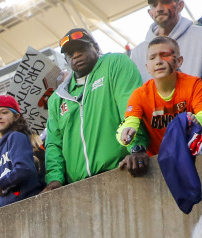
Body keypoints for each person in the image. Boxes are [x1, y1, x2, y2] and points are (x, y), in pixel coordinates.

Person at [44, 29, 149, 191]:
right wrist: (54, 179)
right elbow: (54, 144)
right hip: (79, 187)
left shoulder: (115, 64)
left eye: (81, 48)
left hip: (121, 171)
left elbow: (130, 107)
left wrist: (137, 148)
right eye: (70, 53)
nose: (76, 55)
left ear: (95, 47)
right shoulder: (57, 98)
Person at [117, 36, 202, 157]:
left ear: (179, 61)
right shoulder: (139, 94)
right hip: (158, 159)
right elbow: (129, 122)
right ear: (147, 67)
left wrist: (198, 121)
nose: (158, 61)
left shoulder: (193, 84)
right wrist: (126, 132)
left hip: (190, 155)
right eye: (152, 58)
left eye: (165, 55)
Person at [129, 0, 202, 104]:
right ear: (150, 12)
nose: (159, 8)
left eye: (165, 2)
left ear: (180, 5)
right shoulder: (137, 53)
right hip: (158, 119)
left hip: (200, 116)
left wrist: (190, 90)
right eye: (154, 4)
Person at [0, 94, 44, 209]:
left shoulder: (16, 137)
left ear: (16, 116)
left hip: (27, 205)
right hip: (9, 208)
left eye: (4, 112)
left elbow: (24, 169)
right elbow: (3, 184)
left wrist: (0, 185)